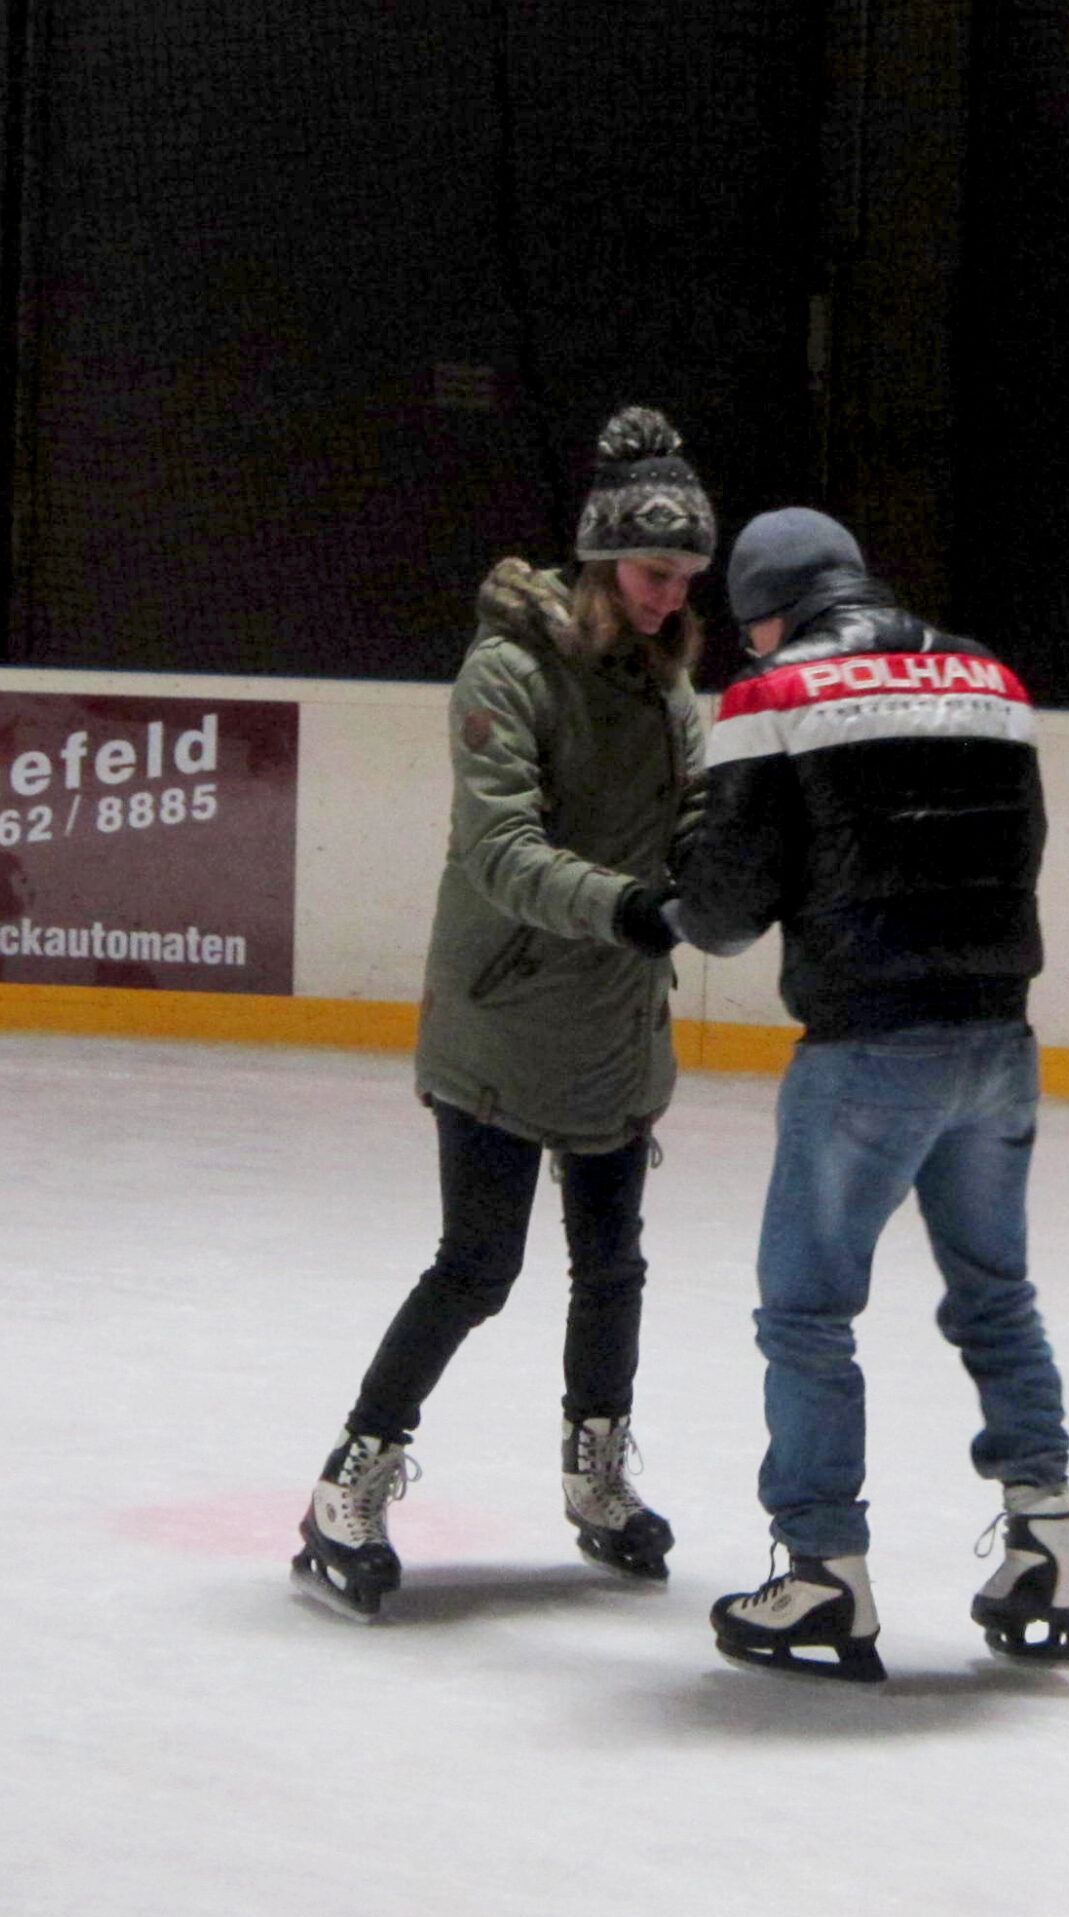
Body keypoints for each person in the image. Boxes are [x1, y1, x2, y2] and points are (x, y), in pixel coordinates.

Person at [292, 406, 714, 1622]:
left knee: (612, 1268)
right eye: (649, 572)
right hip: (501, 1010)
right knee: (478, 1266)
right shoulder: (507, 672)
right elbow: (499, 849)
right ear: (598, 560)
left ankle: (596, 1483)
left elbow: (689, 829)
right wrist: (633, 907)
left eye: (686, 577)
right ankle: (349, 1482)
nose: (666, 597)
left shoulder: (678, 692)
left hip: (615, 1024)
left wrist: (727, 868)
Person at [671, 507, 1069, 1681]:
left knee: (805, 1313)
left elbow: (721, 915)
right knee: (995, 1297)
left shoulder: (772, 697)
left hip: (867, 1048)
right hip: (999, 1039)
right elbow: (1021, 850)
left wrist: (684, 860)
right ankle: (1046, 1541)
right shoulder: (991, 678)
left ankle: (821, 1576)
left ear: (767, 605)